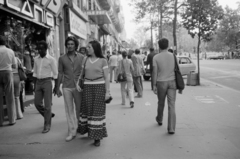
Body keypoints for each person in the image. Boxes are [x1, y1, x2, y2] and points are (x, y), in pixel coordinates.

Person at [76, 40, 110, 147]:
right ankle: (89, 131)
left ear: (95, 48)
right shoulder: (85, 59)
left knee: (97, 112)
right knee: (88, 110)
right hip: (87, 87)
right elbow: (82, 74)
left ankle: (97, 137)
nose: (87, 49)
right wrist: (78, 83)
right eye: (87, 47)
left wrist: (107, 92)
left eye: (89, 47)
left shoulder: (103, 60)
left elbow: (107, 77)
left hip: (99, 87)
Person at [54, 36, 84, 141]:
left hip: (78, 87)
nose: (70, 46)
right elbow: (60, 73)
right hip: (66, 86)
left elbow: (84, 72)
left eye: (72, 44)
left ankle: (80, 126)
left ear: (75, 45)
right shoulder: (62, 58)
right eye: (68, 44)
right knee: (69, 109)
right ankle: (72, 131)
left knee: (79, 109)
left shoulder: (81, 57)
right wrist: (57, 87)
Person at [152, 38, 177, 135]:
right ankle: (171, 128)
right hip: (172, 82)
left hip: (161, 82)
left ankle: (159, 119)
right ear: (168, 45)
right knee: (172, 105)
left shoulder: (156, 57)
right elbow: (177, 70)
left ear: (159, 46)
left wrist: (154, 85)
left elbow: (154, 72)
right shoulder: (173, 56)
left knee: (161, 102)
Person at [33, 41, 58, 133]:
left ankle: (47, 125)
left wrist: (56, 87)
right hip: (38, 82)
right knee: (37, 103)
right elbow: (35, 73)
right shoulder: (36, 59)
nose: (40, 51)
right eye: (38, 49)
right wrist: (34, 85)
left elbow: (55, 74)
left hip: (47, 82)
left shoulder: (51, 59)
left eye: (42, 49)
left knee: (47, 105)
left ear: (46, 49)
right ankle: (48, 115)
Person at [0, 36, 17, 126]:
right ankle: (12, 120)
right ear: (4, 42)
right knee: (10, 96)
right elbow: (14, 65)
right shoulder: (10, 51)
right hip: (8, 72)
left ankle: (0, 121)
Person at [12, 53, 24, 120]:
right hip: (16, 77)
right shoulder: (17, 59)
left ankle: (12, 115)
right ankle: (19, 114)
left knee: (11, 96)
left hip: (9, 76)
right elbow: (21, 68)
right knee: (17, 96)